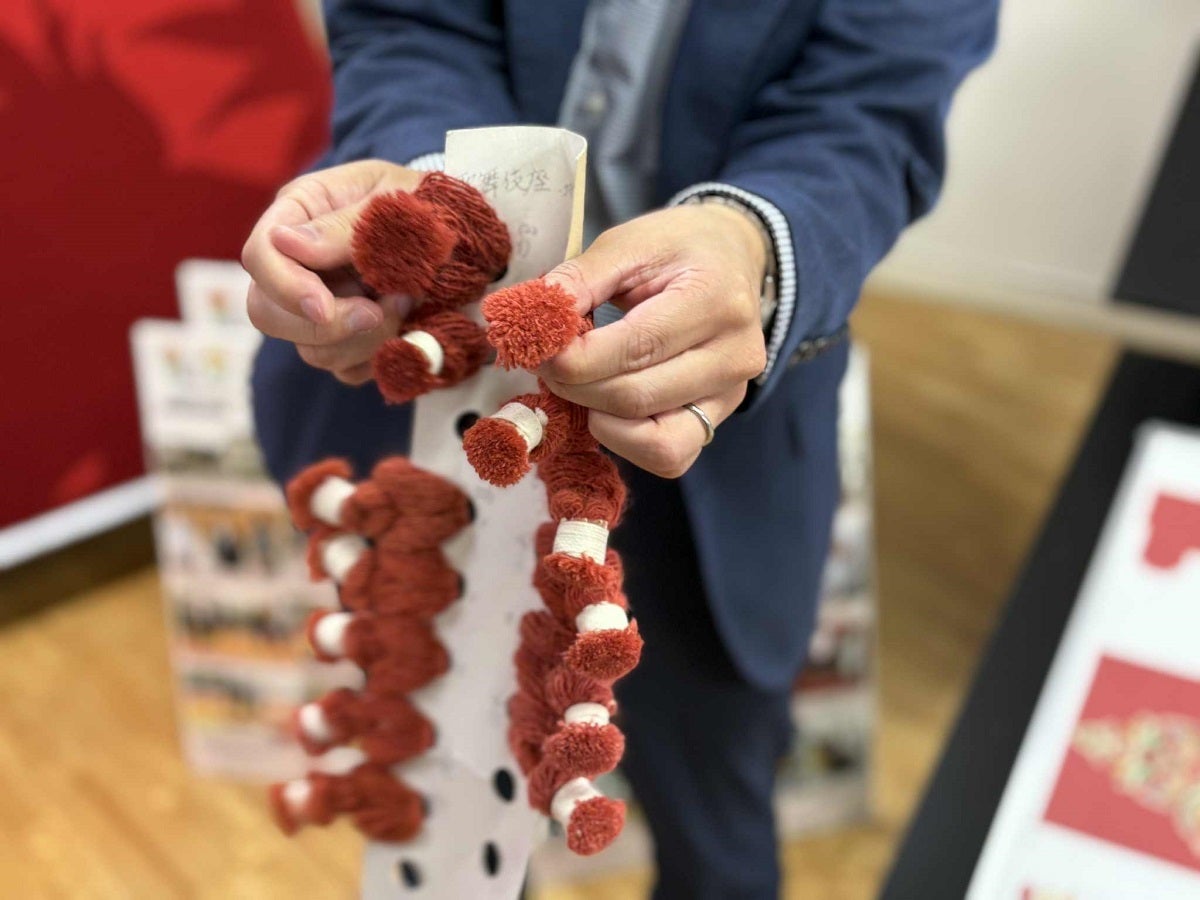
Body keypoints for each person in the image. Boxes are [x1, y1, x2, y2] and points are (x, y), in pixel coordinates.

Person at [242, 2, 998, 897]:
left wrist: (751, 240)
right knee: (444, 803)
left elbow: (871, 107)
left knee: (716, 820)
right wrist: (433, 195)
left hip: (722, 458)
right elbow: (405, 21)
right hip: (424, 399)